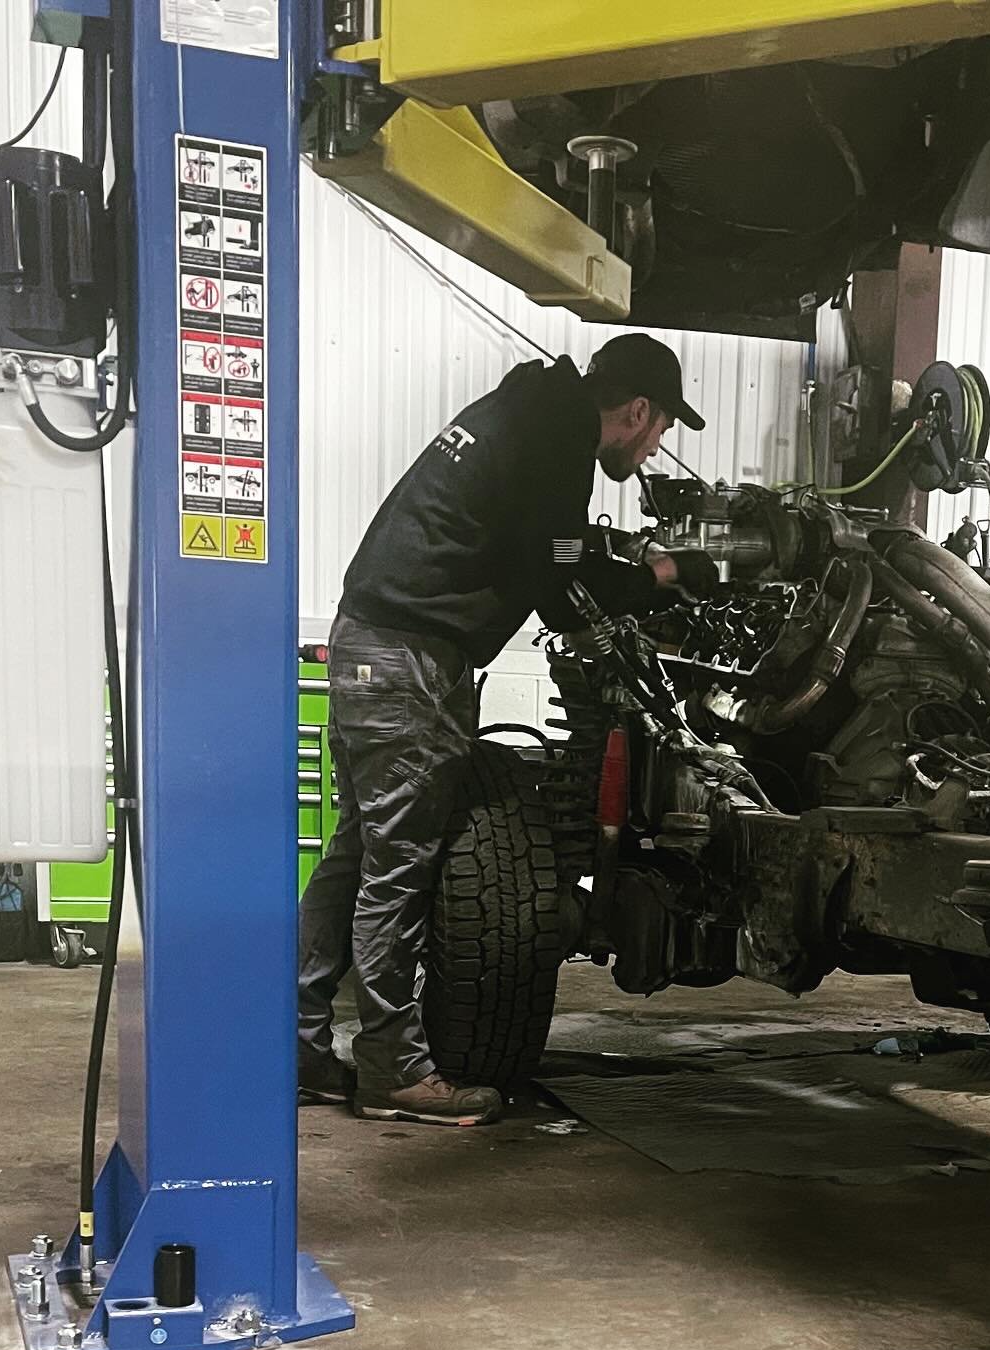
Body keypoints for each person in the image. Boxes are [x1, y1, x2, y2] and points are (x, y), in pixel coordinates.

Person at [297, 334, 718, 1126]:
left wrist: (609, 558)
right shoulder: (559, 437)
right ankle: (391, 1069)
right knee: (399, 871)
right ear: (637, 410)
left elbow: (545, 543)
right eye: (661, 428)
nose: (655, 449)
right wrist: (658, 577)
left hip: (370, 647)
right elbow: (557, 582)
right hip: (412, 662)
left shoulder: (532, 411)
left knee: (356, 858)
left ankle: (299, 1046)